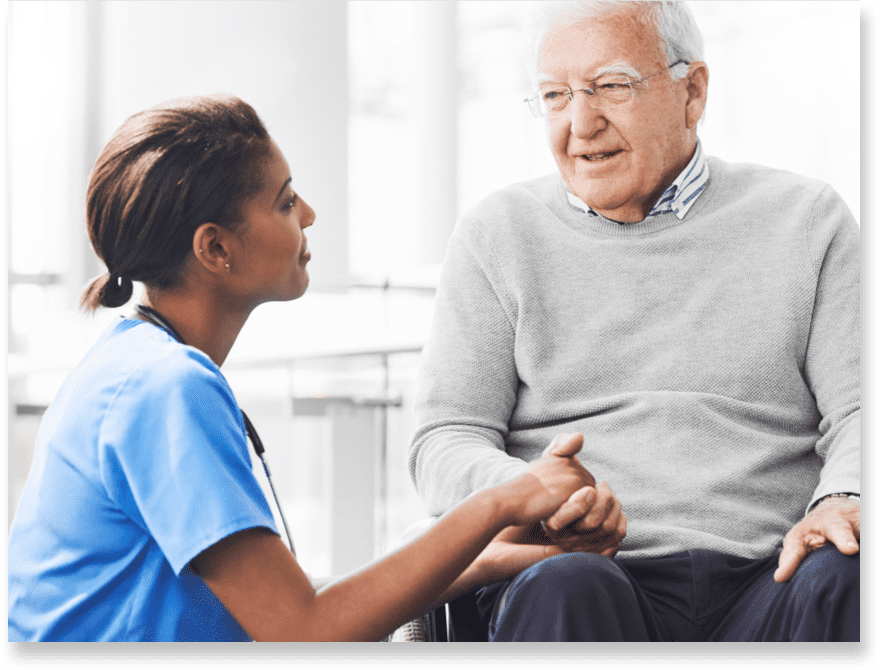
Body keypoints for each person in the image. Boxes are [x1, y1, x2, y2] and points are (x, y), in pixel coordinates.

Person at [7, 94, 601, 642]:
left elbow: (282, 604)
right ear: (215, 248)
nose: (310, 215)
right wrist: (505, 497)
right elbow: (304, 632)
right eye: (286, 201)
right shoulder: (165, 387)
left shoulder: (133, 365)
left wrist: (480, 558)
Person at [408, 0, 859, 641]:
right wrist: (530, 491)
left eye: (611, 87)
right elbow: (444, 438)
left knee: (845, 568)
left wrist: (843, 497)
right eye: (556, 96)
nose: (580, 123)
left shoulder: (807, 219)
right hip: (589, 571)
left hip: (772, 572)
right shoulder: (498, 234)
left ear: (692, 91)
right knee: (566, 586)